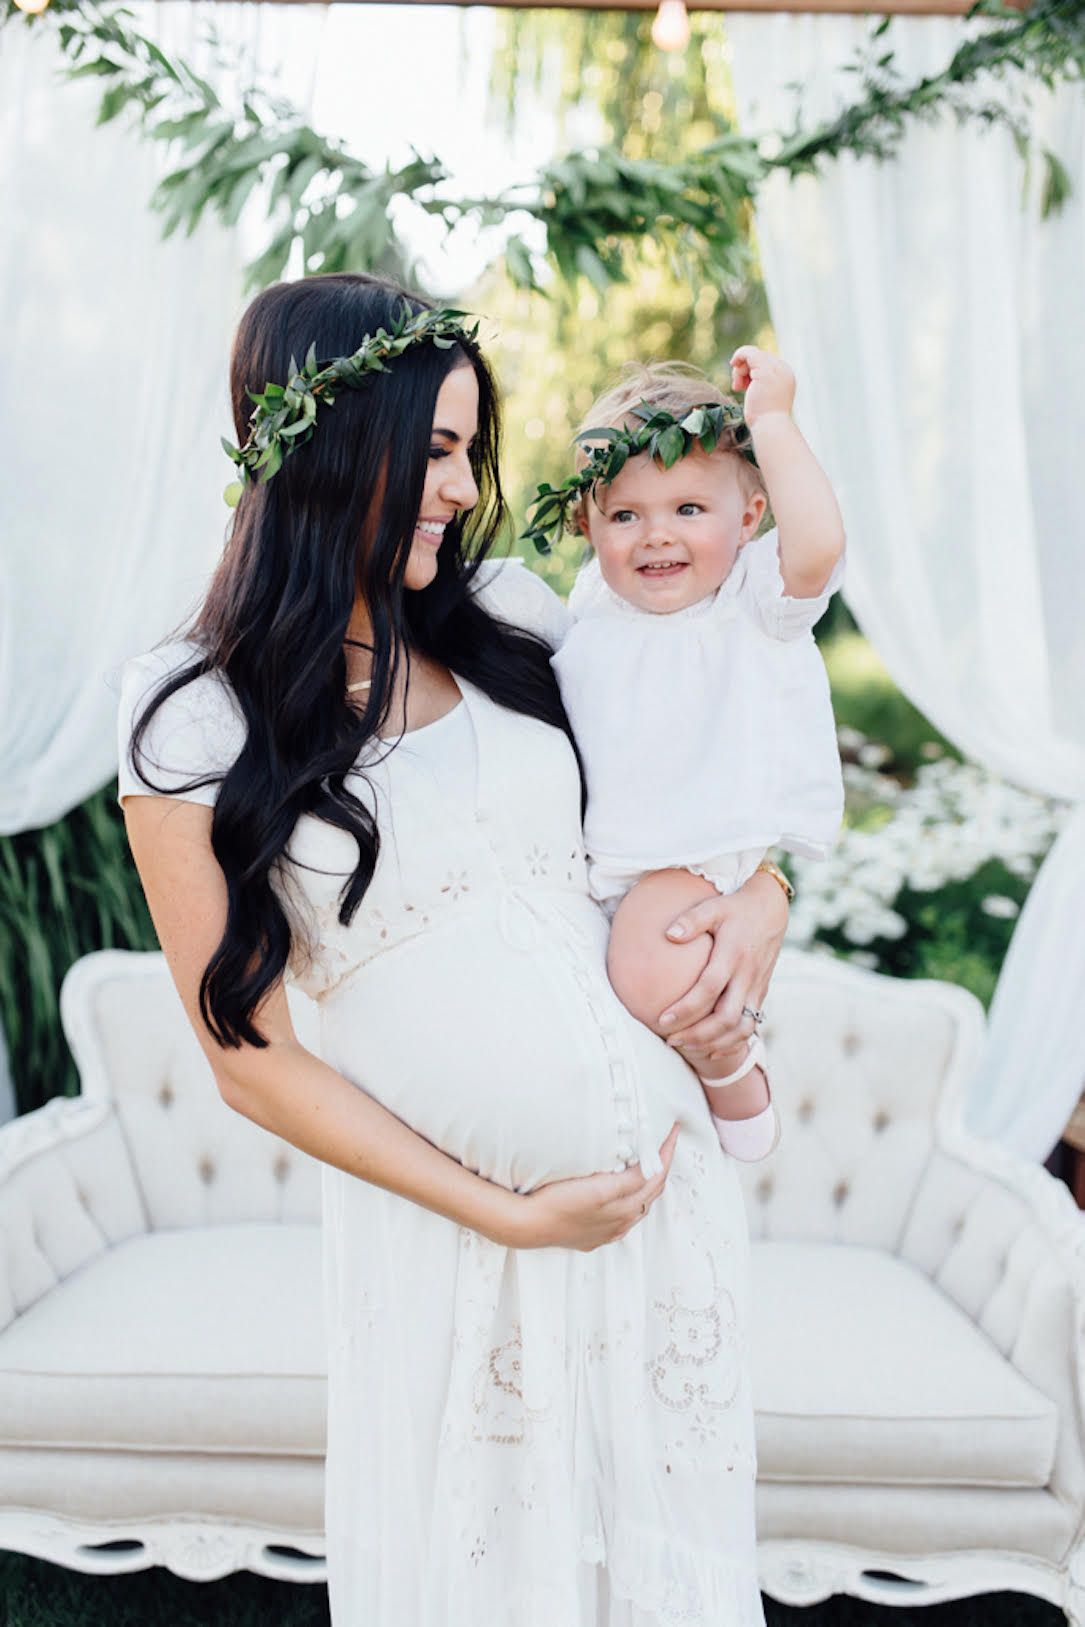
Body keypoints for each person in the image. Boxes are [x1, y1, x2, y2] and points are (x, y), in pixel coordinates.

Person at [115, 271, 790, 1627]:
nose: (462, 483)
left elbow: (716, 783)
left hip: (659, 1215)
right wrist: (510, 1210)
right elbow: (246, 1058)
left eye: (469, 448)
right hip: (456, 1237)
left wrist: (761, 903)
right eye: (432, 448)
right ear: (324, 443)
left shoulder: (521, 620)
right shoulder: (193, 719)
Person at [541, 358, 846, 1163]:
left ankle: (729, 1066)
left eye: (686, 507)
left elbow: (816, 546)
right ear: (587, 525)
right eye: (625, 516)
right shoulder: (593, 605)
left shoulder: (750, 599)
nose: (657, 535)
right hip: (613, 863)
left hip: (696, 855)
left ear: (748, 516)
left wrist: (772, 420)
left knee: (647, 965)